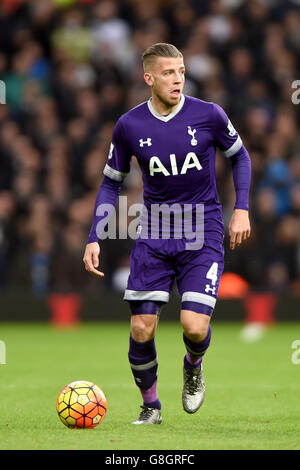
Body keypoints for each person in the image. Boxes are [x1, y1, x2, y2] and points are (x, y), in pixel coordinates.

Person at [83, 43, 251, 424]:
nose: (178, 79)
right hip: (155, 231)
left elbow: (240, 156)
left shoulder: (208, 114)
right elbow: (111, 183)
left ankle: (193, 365)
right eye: (169, 73)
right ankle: (151, 406)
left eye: (181, 71)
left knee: (194, 326)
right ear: (149, 78)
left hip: (202, 229)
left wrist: (241, 208)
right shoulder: (129, 125)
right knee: (142, 327)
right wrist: (95, 235)